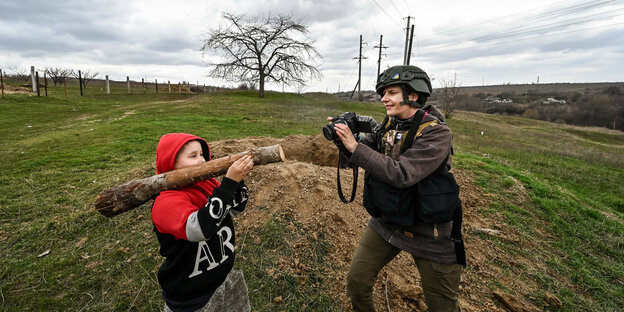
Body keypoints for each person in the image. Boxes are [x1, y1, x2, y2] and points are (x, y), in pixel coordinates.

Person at [332, 65, 465, 312]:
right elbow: (362, 156)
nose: (384, 98)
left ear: (413, 95)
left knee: (442, 305)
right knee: (357, 281)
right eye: (383, 93)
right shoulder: (389, 125)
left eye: (391, 92)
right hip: (389, 221)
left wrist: (355, 147)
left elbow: (402, 174)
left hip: (429, 233)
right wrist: (345, 140)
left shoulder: (437, 133)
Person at [151, 133, 254, 312]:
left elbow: (236, 209)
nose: (202, 161)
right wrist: (229, 184)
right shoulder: (165, 202)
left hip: (225, 277)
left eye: (202, 154)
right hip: (192, 299)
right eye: (193, 156)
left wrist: (238, 180)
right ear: (171, 162)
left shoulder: (208, 183)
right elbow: (200, 228)